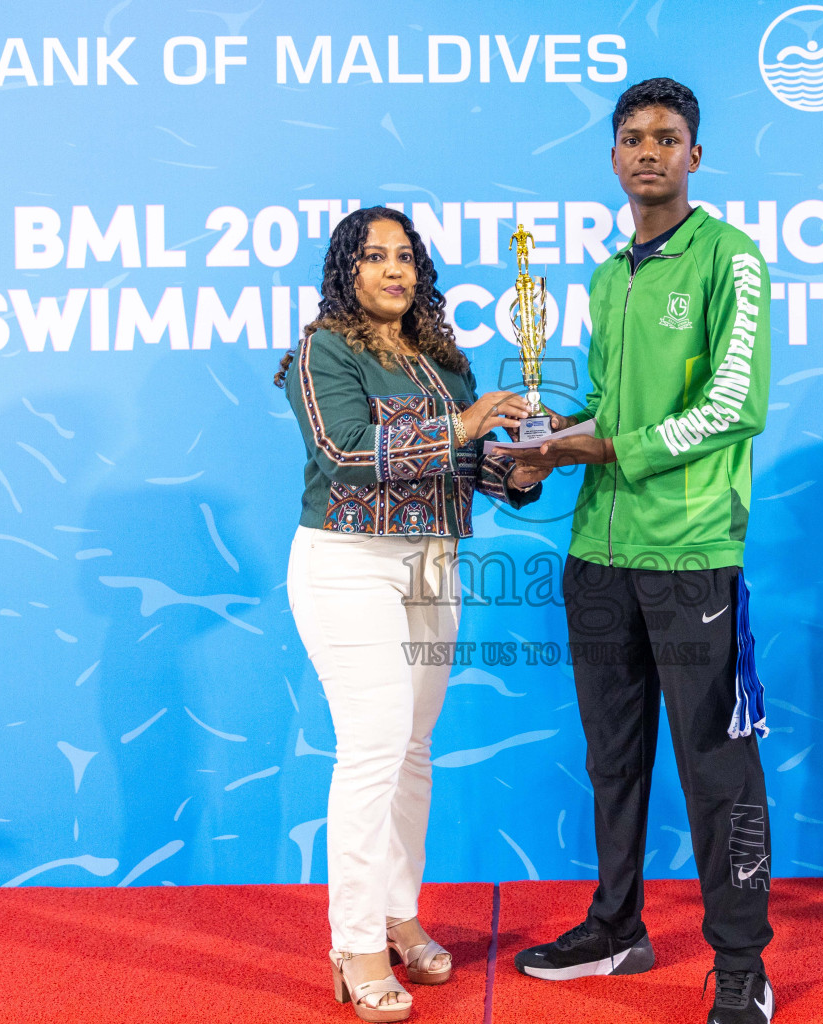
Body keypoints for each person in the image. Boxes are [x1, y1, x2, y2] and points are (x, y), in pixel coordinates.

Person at [504, 78, 776, 1023]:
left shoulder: (732, 261)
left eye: (668, 137)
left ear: (695, 156)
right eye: (632, 138)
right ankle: (617, 928)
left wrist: (608, 445)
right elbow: (609, 416)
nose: (648, 151)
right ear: (613, 159)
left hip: (692, 553)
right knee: (613, 759)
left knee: (717, 767)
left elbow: (733, 406)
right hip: (599, 555)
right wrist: (544, 451)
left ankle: (741, 966)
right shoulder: (604, 277)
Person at [275, 206, 548, 1022]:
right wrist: (463, 425)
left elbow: (473, 470)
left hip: (434, 564)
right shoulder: (322, 351)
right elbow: (348, 455)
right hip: (348, 565)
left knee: (415, 752)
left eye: (405, 257)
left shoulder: (442, 360)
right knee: (372, 749)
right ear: (346, 271)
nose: (393, 270)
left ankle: (398, 913)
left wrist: (524, 464)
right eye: (375, 256)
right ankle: (353, 942)